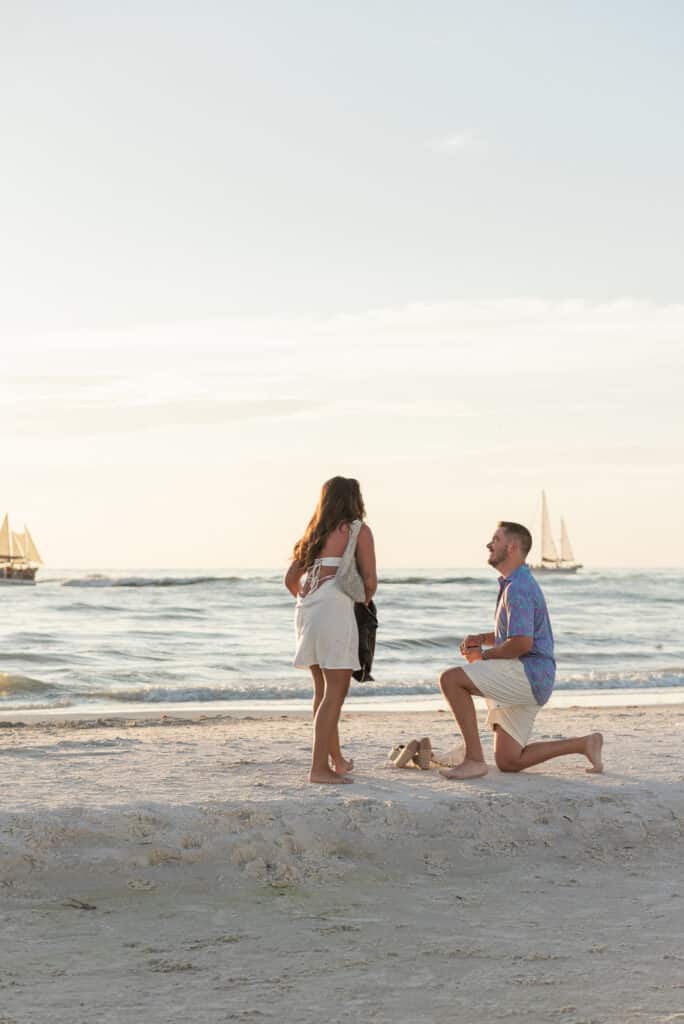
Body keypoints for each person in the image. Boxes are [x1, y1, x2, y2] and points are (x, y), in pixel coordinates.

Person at [439, 521, 603, 780]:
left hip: (527, 674)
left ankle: (473, 759)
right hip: (535, 678)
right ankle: (584, 744)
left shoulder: (519, 588)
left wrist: (483, 656)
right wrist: (481, 639)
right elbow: (514, 635)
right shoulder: (515, 583)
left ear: (512, 546)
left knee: (450, 679)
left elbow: (522, 644)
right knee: (509, 760)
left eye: (495, 539)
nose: (489, 545)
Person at [285, 476, 377, 785]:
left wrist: (313, 597)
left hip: (307, 608)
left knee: (322, 692)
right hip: (334, 609)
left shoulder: (313, 533)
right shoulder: (357, 530)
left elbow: (290, 582)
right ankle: (318, 769)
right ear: (355, 499)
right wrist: (360, 600)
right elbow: (370, 583)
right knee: (335, 692)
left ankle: (335, 760)